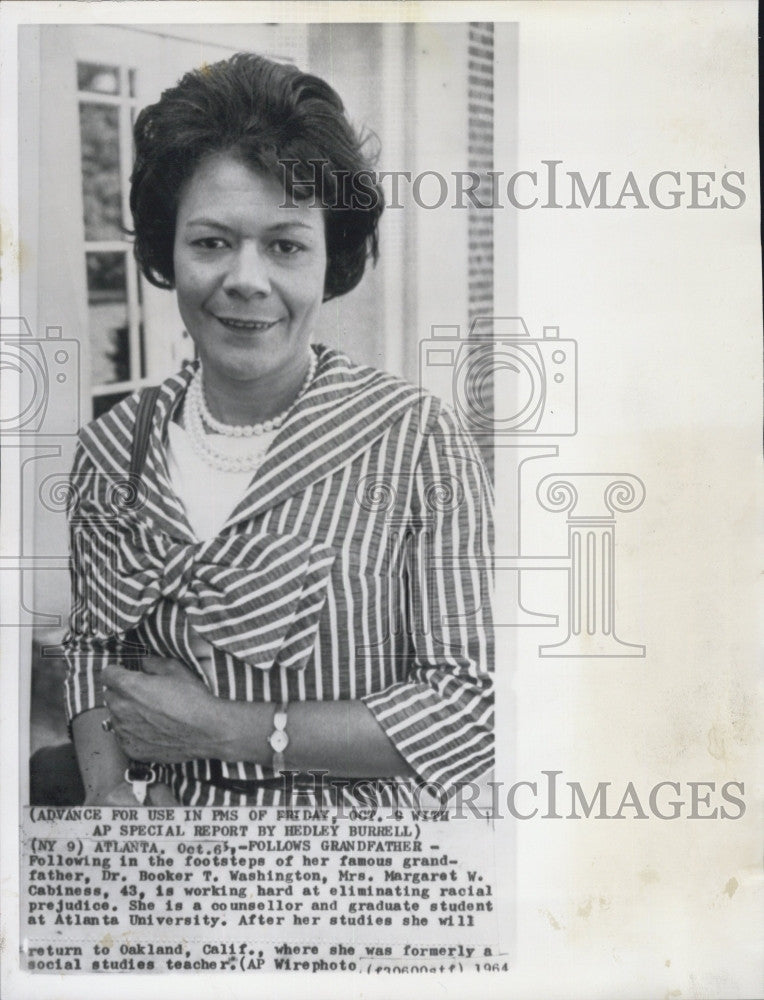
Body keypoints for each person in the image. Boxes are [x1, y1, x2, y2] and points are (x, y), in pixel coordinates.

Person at [62, 52, 494, 808]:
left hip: (351, 876)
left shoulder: (415, 440)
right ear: (168, 252)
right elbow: (92, 648)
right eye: (211, 241)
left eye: (286, 245)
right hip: (161, 862)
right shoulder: (112, 448)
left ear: (332, 263)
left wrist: (231, 729)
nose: (246, 279)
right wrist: (107, 792)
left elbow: (473, 710)